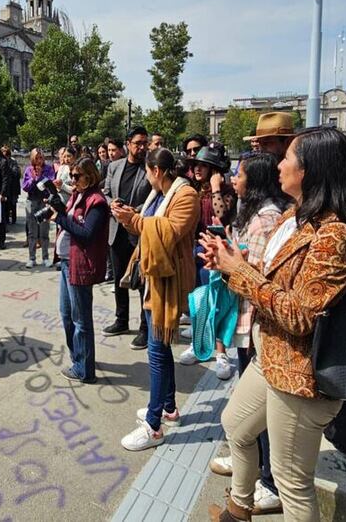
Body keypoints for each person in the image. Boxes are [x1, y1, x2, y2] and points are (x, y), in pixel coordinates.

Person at [203, 127, 346, 522]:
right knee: (236, 426)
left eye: (287, 158)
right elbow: (273, 280)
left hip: (301, 376)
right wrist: (231, 263)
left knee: (292, 482)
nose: (279, 165)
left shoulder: (336, 236)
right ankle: (238, 510)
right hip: (270, 356)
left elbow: (299, 314)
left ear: (311, 170)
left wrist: (239, 271)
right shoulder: (295, 216)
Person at [204, 152, 289, 516]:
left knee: (259, 410)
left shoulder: (267, 219)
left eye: (238, 175)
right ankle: (250, 468)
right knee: (245, 410)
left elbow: (258, 277)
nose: (232, 181)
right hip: (251, 318)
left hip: (261, 323)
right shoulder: (255, 214)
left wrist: (228, 263)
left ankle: (267, 479)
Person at [112, 147, 200, 451]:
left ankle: (153, 425)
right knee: (160, 346)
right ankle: (169, 408)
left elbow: (169, 231)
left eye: (147, 172)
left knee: (157, 349)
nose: (146, 177)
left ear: (157, 171)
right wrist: (129, 217)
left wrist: (135, 221)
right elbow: (147, 225)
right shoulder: (159, 195)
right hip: (154, 278)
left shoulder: (186, 195)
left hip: (169, 282)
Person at [181, 142, 239, 376]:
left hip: (217, 254)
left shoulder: (226, 192)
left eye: (203, 166)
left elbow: (222, 216)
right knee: (198, 302)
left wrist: (216, 187)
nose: (197, 169)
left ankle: (221, 353)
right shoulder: (194, 190)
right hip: (196, 252)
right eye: (195, 164)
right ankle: (198, 345)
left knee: (217, 304)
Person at [53, 158, 109, 383]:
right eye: (72, 176)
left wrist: (61, 218)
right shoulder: (78, 195)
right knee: (67, 315)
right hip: (67, 262)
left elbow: (86, 234)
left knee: (80, 319)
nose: (73, 180)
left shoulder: (97, 202)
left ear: (90, 176)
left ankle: (85, 370)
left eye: (77, 176)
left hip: (80, 265)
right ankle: (80, 357)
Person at [102, 127, 152, 349]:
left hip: (138, 231)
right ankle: (121, 320)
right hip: (116, 232)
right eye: (138, 143)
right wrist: (111, 202)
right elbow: (104, 191)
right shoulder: (114, 166)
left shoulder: (150, 168)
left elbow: (155, 196)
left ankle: (144, 328)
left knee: (141, 282)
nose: (142, 147)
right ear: (128, 144)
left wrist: (135, 210)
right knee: (119, 280)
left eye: (145, 143)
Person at [22, 148, 56, 268]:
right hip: (31, 201)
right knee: (32, 232)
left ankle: (45, 257)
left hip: (44, 201)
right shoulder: (28, 170)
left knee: (44, 231)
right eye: (36, 158)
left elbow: (51, 183)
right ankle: (32, 258)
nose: (39, 160)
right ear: (32, 158)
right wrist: (33, 178)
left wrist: (41, 176)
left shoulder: (48, 169)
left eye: (41, 157)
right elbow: (25, 187)